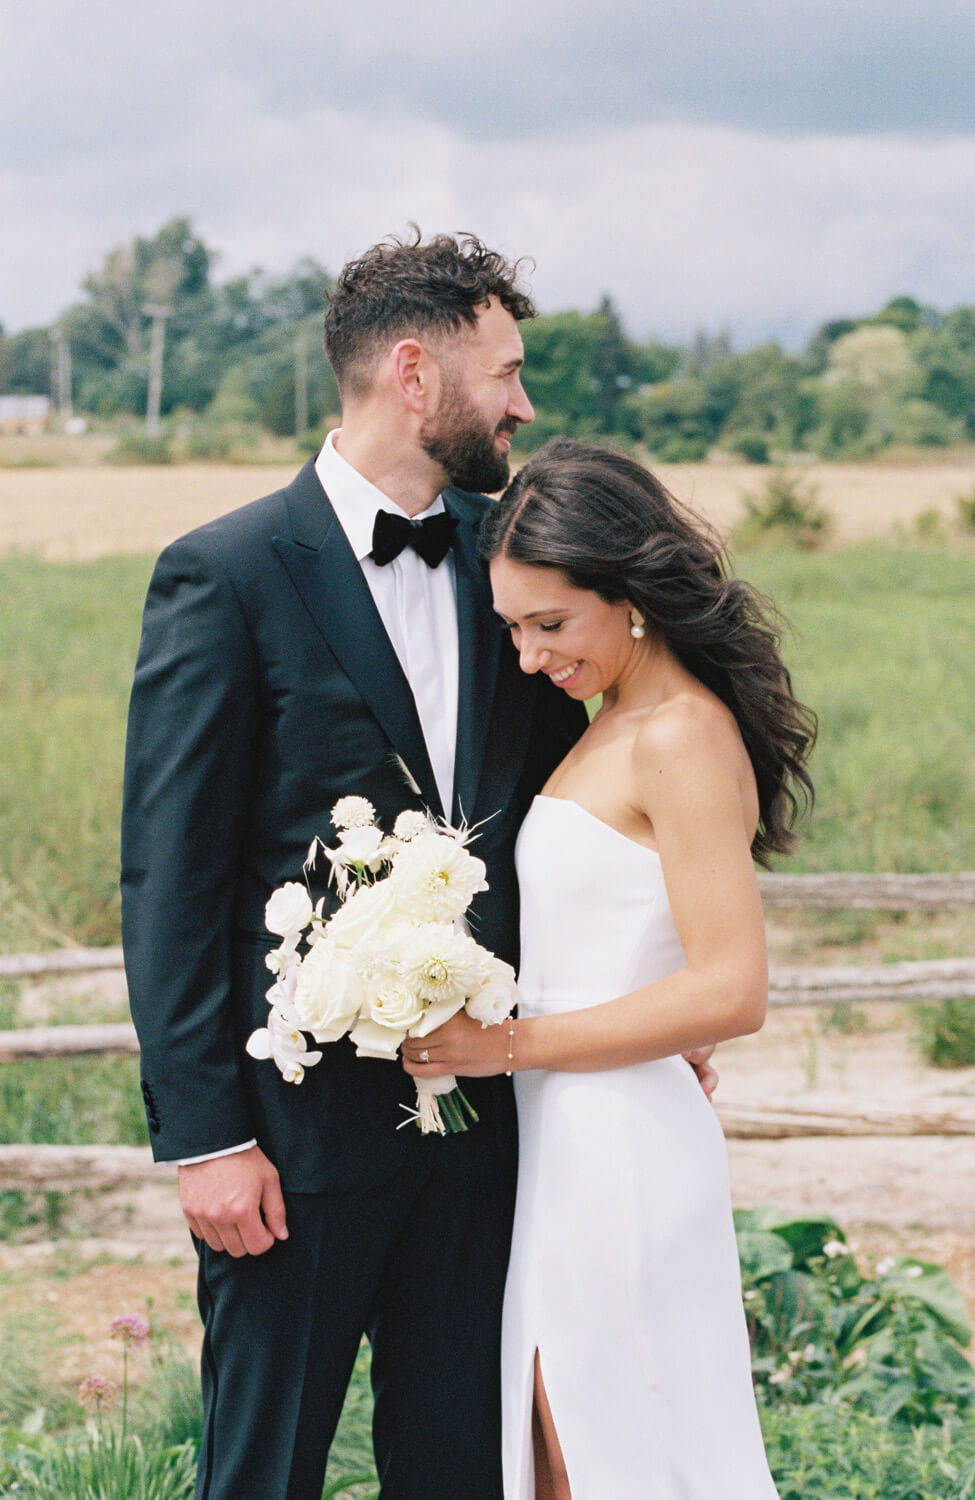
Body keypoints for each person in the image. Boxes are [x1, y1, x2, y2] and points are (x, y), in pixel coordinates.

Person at [121, 232, 591, 1500]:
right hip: (290, 1144)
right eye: (504, 371)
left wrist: (635, 1003)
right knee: (262, 1469)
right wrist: (207, 1137)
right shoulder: (223, 575)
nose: (522, 403)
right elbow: (169, 877)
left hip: (486, 1126)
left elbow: (571, 811)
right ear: (410, 371)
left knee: (459, 1466)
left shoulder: (522, 560)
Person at [403, 438, 816, 1500]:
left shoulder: (677, 735)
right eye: (512, 630)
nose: (531, 656)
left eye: (552, 625)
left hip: (620, 1152)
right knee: (564, 1453)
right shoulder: (609, 724)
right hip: (561, 1138)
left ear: (630, 595)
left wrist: (501, 1046)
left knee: (618, 1454)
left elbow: (732, 990)